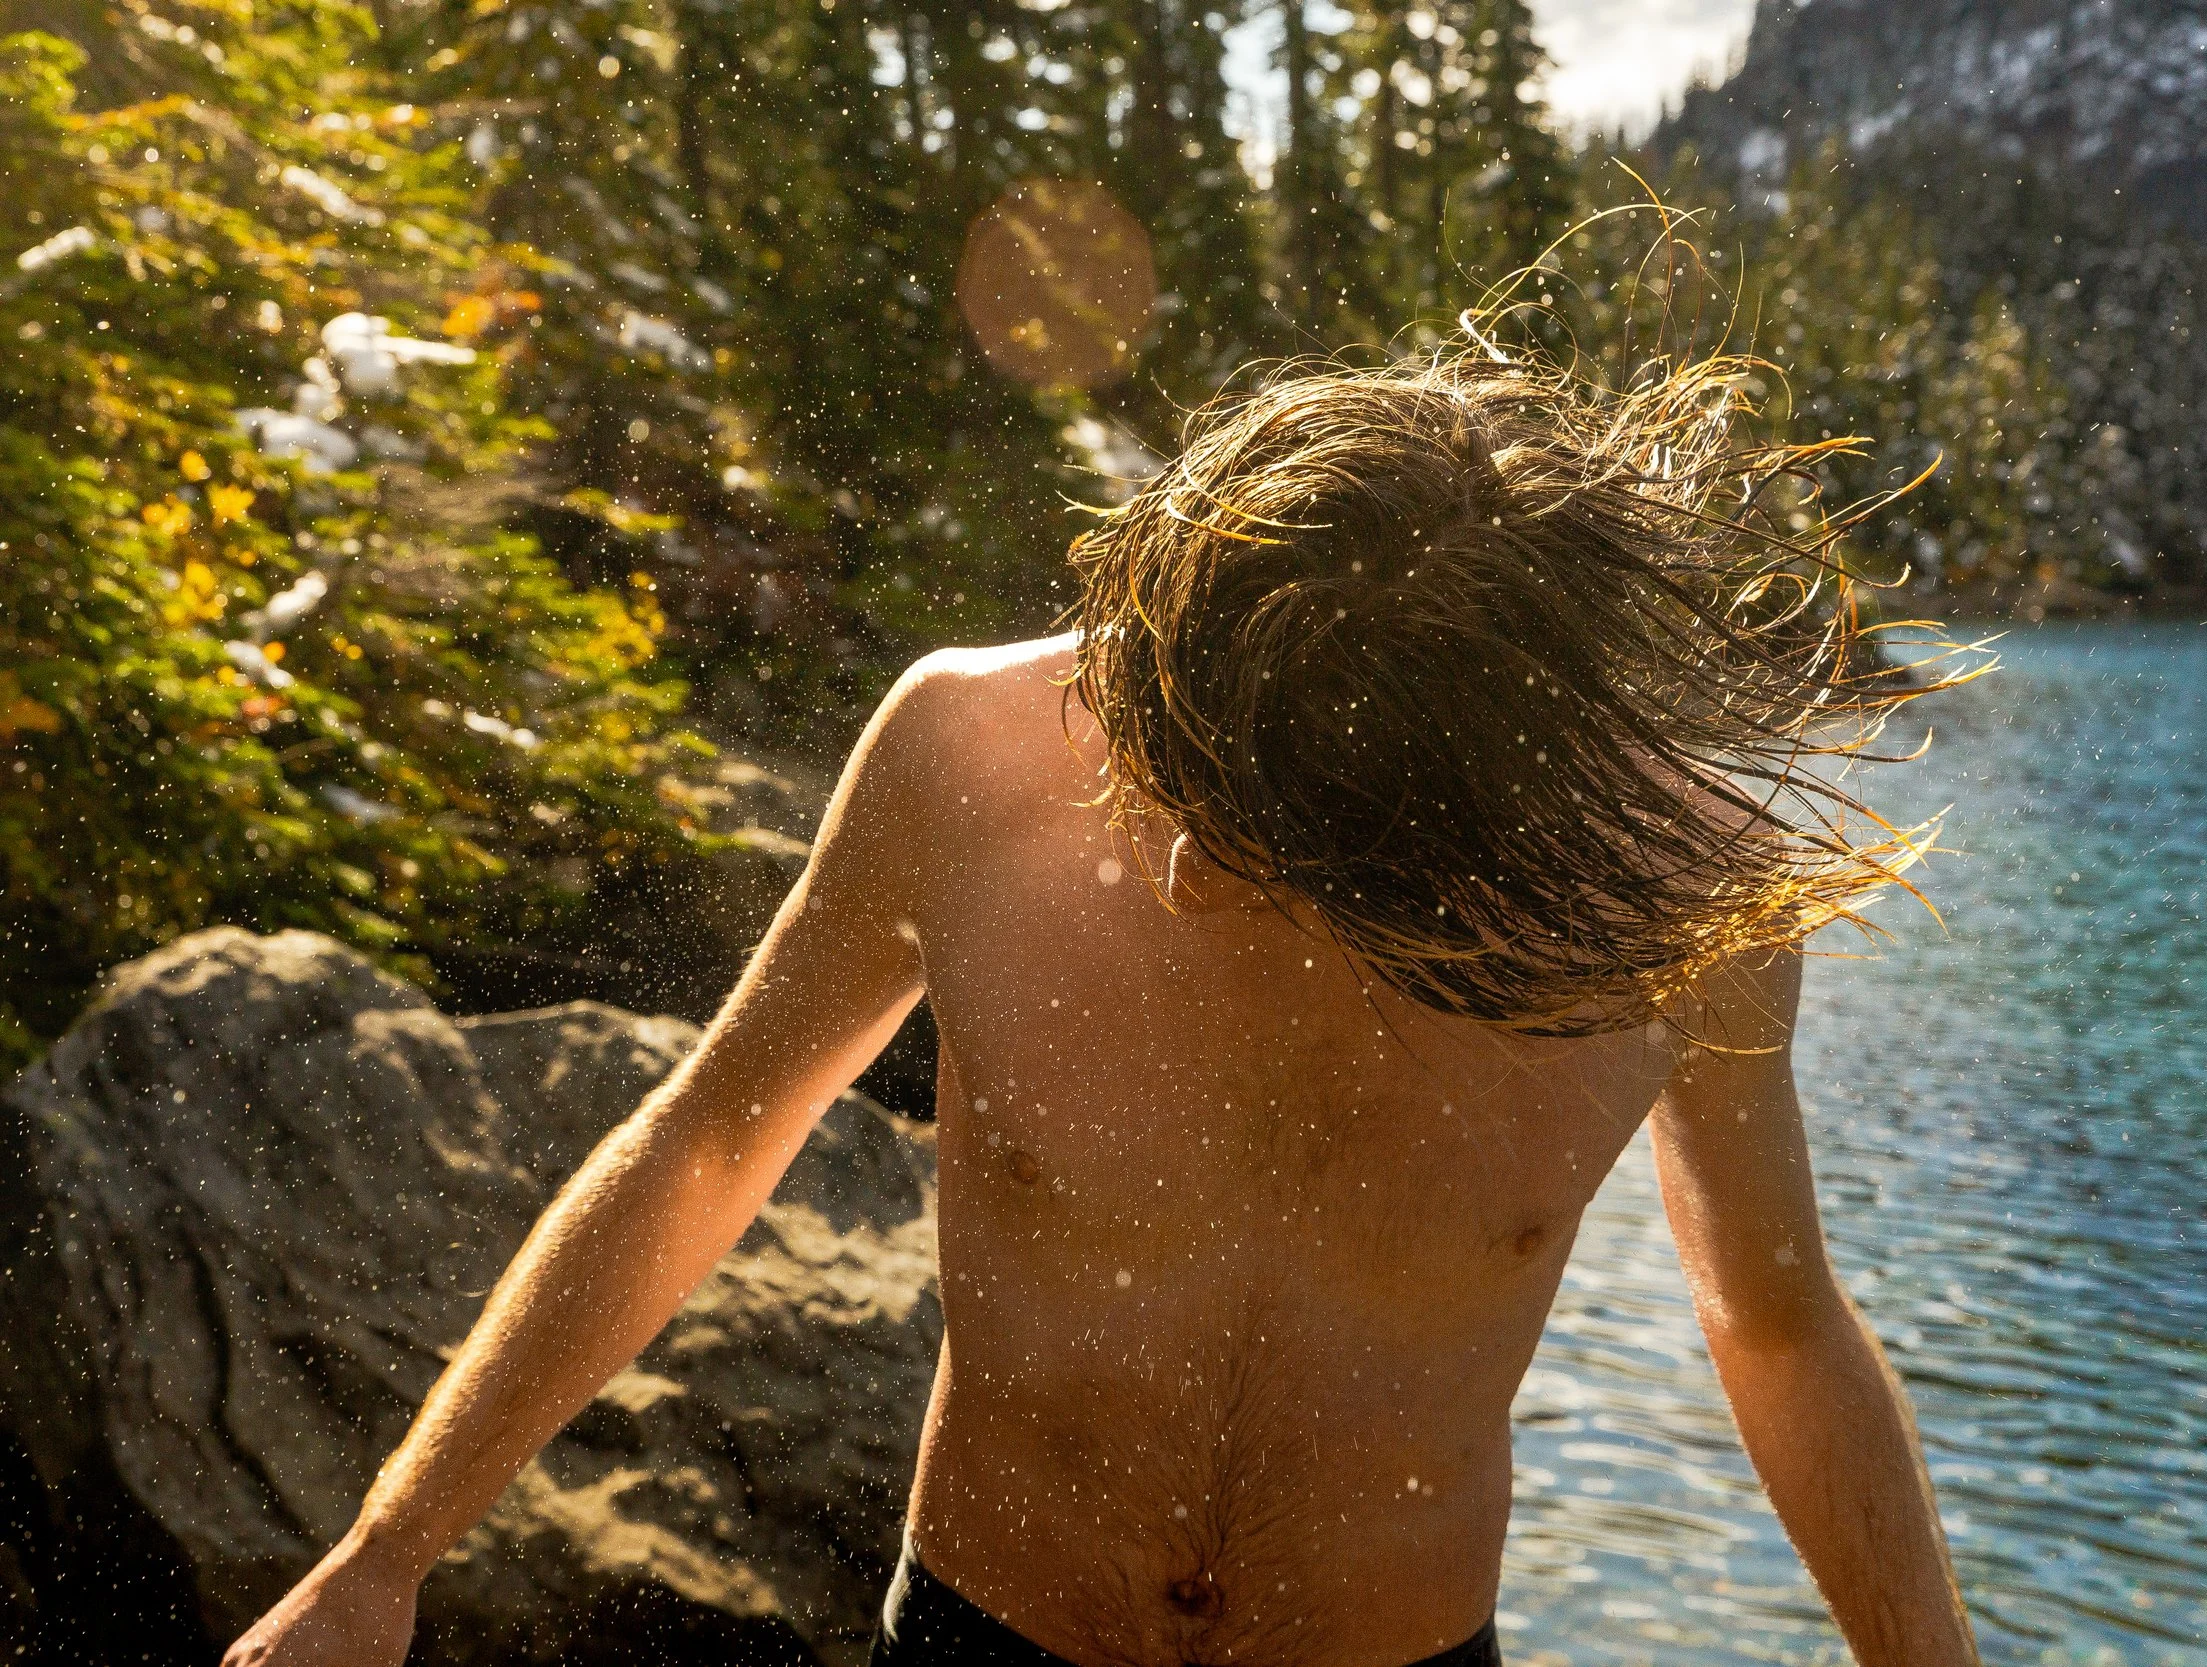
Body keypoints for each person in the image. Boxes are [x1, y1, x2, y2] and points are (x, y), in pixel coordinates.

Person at [225, 341, 1983, 1667]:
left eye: (1239, 841)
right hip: (990, 1641)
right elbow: (711, 1136)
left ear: (1447, 835)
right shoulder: (971, 755)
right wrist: (387, 1549)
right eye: (1161, 778)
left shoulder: (1667, 896)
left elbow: (1776, 1325)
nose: (1163, 862)